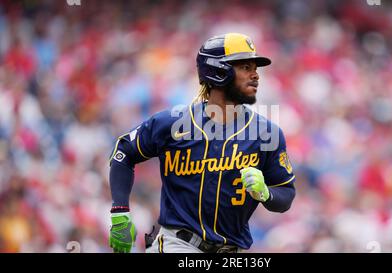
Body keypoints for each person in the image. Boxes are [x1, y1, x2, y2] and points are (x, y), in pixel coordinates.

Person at [108, 33, 296, 253]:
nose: (255, 75)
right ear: (218, 71)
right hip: (179, 244)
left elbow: (286, 194)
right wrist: (120, 212)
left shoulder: (266, 133)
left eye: (255, 68)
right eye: (245, 67)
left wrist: (266, 193)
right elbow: (124, 152)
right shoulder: (173, 122)